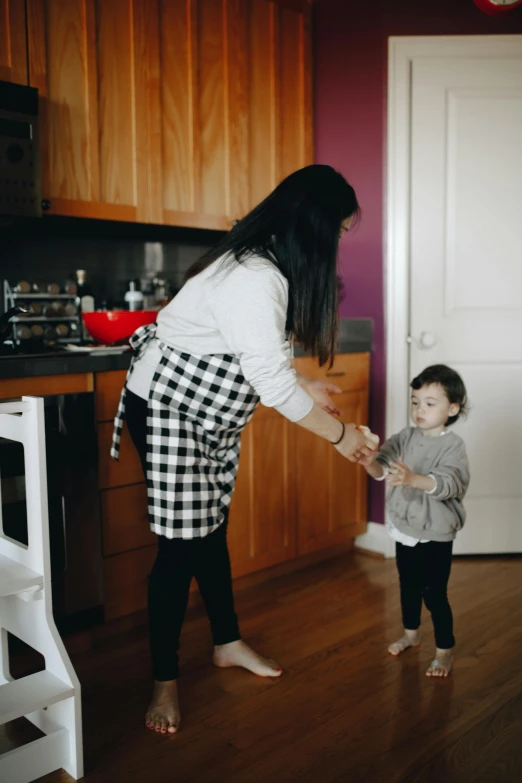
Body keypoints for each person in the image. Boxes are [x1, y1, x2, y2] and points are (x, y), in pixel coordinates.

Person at [111, 164, 377, 735]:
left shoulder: (263, 264)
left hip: (205, 413)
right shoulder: (256, 276)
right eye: (337, 231)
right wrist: (344, 439)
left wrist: (304, 384)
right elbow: (271, 386)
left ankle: (226, 643)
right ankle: (164, 681)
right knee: (182, 545)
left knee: (208, 530)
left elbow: (256, 358)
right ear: (313, 226)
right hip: (169, 411)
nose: (335, 245)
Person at [360, 365, 470, 678]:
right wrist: (368, 460)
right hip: (404, 528)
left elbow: (451, 484)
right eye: (415, 401)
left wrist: (413, 479)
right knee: (408, 585)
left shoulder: (453, 446)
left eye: (430, 403)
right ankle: (411, 633)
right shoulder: (405, 436)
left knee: (434, 593)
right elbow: (382, 469)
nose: (420, 409)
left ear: (452, 408)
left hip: (435, 532)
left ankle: (444, 650)